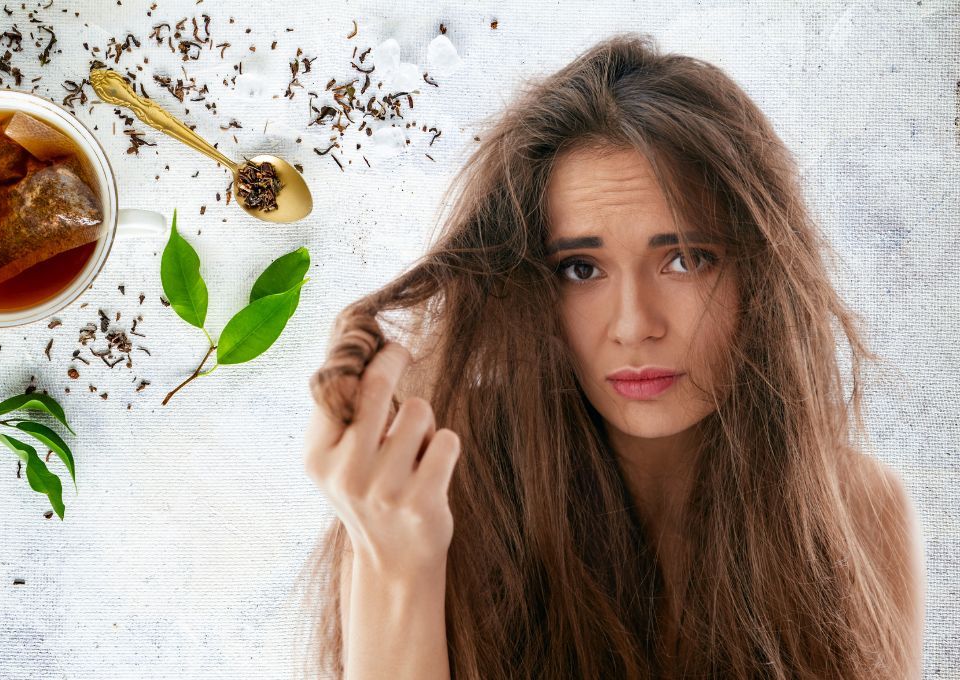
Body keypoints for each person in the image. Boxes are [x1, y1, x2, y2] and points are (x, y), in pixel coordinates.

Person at [298, 32, 925, 680]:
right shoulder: (429, 497)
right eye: (580, 269)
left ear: (761, 276)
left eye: (686, 260)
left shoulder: (859, 513)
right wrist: (398, 564)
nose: (633, 326)